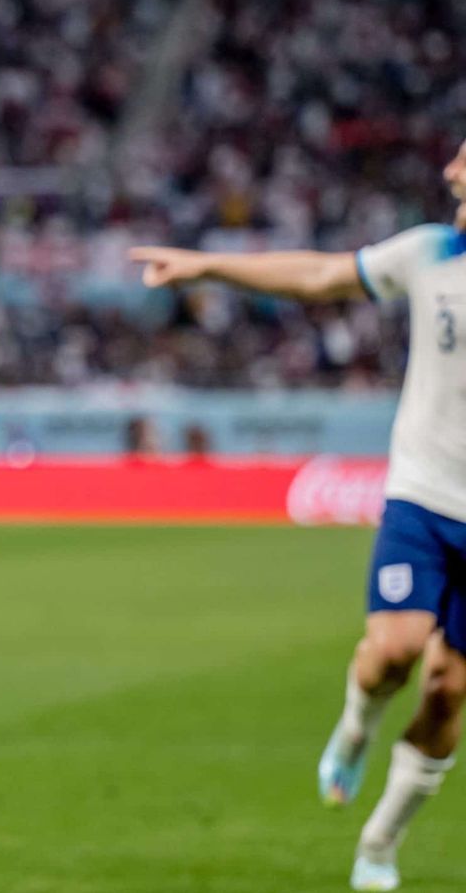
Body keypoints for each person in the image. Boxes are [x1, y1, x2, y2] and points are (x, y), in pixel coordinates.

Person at [130, 141, 466, 892]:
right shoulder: (431, 253)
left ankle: (379, 843)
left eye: (464, 159)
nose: (451, 169)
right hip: (423, 495)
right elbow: (320, 274)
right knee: (394, 653)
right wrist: (208, 265)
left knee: (448, 690)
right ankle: (355, 728)